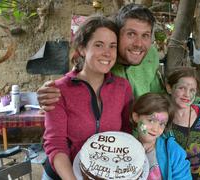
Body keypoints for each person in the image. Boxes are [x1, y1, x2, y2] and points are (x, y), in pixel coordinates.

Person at [36, 3, 200, 121]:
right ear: (117, 33)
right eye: (131, 34)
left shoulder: (151, 56)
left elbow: (160, 91)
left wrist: (197, 100)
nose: (139, 44)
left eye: (145, 36)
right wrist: (52, 90)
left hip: (150, 130)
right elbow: (80, 74)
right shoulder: (106, 60)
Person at [42, 15, 133, 180]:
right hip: (64, 175)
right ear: (82, 48)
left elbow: (127, 134)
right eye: (99, 45)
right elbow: (56, 144)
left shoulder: (123, 87)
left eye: (112, 46)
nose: (107, 53)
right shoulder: (58, 90)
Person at [132, 92, 192, 179]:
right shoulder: (124, 149)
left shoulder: (174, 152)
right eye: (151, 120)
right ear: (136, 117)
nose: (155, 129)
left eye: (162, 124)